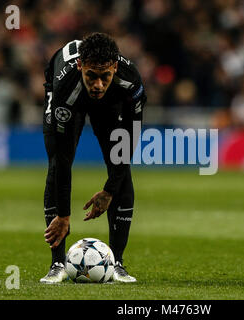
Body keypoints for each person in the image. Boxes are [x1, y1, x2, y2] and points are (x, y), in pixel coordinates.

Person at [40, 32, 146, 284]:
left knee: (120, 170)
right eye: (92, 76)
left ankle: (117, 263)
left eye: (105, 76)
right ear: (80, 66)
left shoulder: (131, 82)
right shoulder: (66, 89)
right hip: (68, 99)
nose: (98, 84)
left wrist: (109, 190)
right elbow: (64, 160)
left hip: (110, 105)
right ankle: (57, 263)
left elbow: (127, 145)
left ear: (115, 68)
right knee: (56, 165)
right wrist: (64, 215)